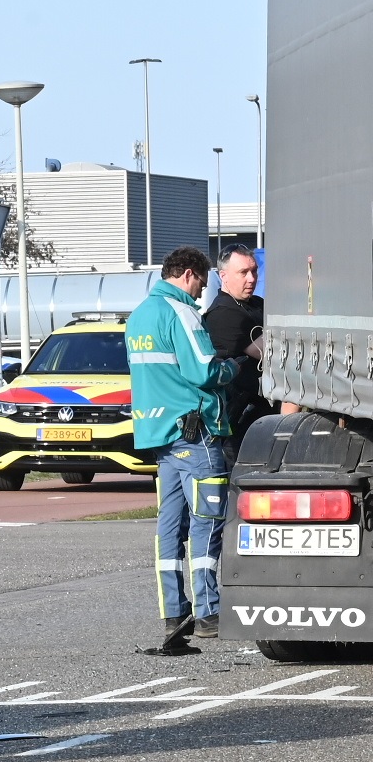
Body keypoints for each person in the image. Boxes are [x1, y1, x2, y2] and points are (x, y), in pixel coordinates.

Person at [126, 247, 261, 645]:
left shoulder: (138, 317)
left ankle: (174, 614)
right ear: (188, 274)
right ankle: (208, 612)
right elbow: (204, 369)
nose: (203, 291)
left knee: (169, 529)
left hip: (160, 439)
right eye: (202, 281)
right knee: (207, 524)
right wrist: (236, 363)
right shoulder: (179, 312)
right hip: (197, 434)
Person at [202, 245, 270, 445]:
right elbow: (272, 353)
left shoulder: (257, 303)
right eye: (243, 272)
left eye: (254, 271)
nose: (252, 278)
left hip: (262, 414)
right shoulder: (223, 313)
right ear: (223, 276)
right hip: (241, 421)